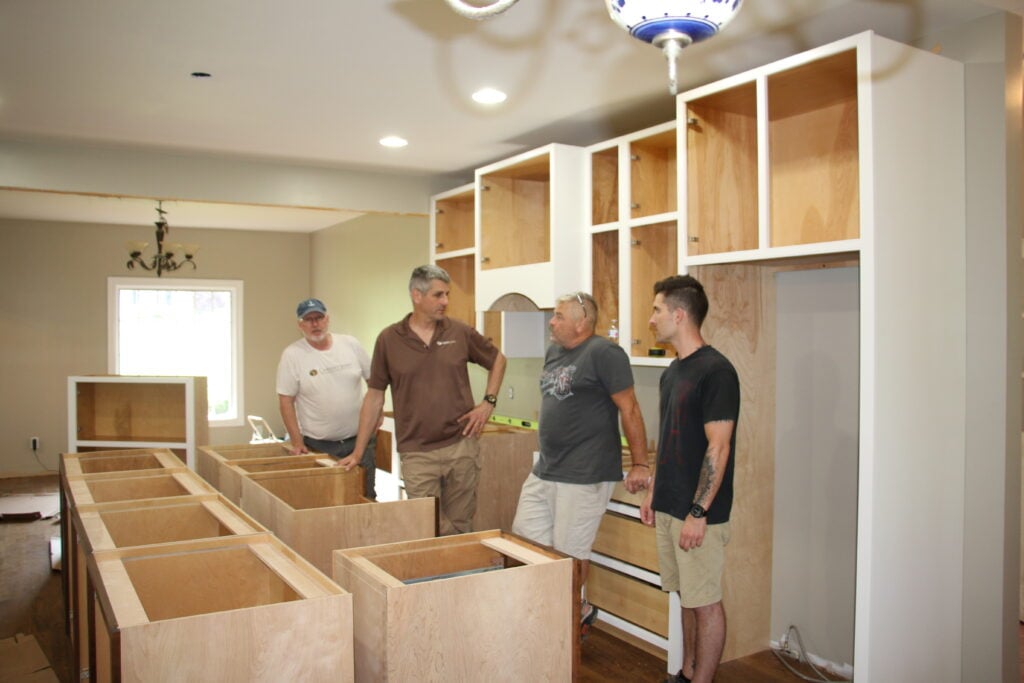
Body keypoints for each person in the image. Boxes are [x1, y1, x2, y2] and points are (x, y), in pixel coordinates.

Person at [511, 291, 650, 628]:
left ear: (581, 321)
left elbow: (629, 406)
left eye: (559, 316)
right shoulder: (555, 351)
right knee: (525, 539)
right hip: (547, 468)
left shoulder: (605, 352)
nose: (552, 322)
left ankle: (569, 621)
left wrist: (641, 463)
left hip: (585, 472)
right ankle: (553, 612)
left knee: (568, 555)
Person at [339, 265, 506, 535]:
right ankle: (442, 567)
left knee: (462, 522)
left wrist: (488, 402)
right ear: (417, 295)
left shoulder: (459, 332)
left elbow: (498, 359)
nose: (445, 302)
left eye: (447, 295)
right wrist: (358, 452)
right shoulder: (389, 339)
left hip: (461, 445)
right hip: (417, 451)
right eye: (438, 295)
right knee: (425, 525)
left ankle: (458, 573)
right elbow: (374, 397)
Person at [640, 275, 740, 683]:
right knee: (686, 596)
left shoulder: (716, 371)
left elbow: (718, 448)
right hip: (668, 503)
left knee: (706, 602)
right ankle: (685, 672)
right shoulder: (672, 372)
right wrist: (652, 491)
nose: (651, 319)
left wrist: (699, 511)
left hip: (698, 512)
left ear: (679, 315)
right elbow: (668, 439)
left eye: (657, 310)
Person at [276, 297, 377, 498]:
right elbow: (285, 400)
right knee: (325, 499)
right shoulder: (292, 355)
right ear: (300, 325)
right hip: (319, 445)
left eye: (319, 318)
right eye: (309, 319)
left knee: (365, 496)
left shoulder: (350, 344)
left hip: (360, 442)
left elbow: (374, 383)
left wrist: (378, 411)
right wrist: (297, 442)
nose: (315, 324)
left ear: (327, 319)